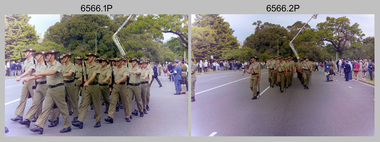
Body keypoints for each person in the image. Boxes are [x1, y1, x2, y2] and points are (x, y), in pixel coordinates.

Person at [29, 49, 71, 134]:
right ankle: (40, 126)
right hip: (50, 89)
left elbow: (52, 72)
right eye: (45, 55)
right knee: (46, 108)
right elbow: (43, 74)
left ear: (53, 56)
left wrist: (40, 74)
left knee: (62, 108)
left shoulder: (58, 64)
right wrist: (30, 78)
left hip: (58, 88)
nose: (45, 57)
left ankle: (67, 126)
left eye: (47, 55)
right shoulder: (48, 65)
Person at [72, 51, 102, 129]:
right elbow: (85, 76)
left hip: (94, 86)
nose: (88, 57)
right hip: (87, 87)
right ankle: (80, 121)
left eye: (90, 56)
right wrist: (82, 81)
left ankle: (98, 121)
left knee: (96, 104)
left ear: (94, 58)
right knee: (85, 104)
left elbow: (93, 75)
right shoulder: (86, 66)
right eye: (88, 56)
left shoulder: (97, 66)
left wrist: (87, 82)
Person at [19, 50, 48, 128]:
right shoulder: (37, 65)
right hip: (39, 85)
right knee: (35, 103)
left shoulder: (45, 65)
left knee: (50, 105)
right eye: (36, 55)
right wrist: (34, 86)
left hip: (45, 85)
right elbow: (36, 77)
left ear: (42, 56)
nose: (36, 57)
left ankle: (55, 118)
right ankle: (28, 120)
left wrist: (29, 78)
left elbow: (40, 75)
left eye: (38, 55)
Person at [11, 47, 36, 122]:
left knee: (35, 100)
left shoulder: (33, 61)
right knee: (22, 98)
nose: (25, 53)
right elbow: (25, 71)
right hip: (26, 81)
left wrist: (20, 76)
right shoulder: (25, 61)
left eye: (26, 52)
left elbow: (29, 71)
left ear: (30, 53)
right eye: (25, 52)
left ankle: (36, 116)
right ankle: (19, 115)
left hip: (32, 80)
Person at [104, 56, 129, 123]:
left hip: (122, 86)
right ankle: (110, 116)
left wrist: (119, 81)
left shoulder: (125, 68)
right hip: (115, 86)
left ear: (121, 61)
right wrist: (108, 83)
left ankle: (127, 115)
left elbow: (125, 77)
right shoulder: (114, 69)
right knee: (113, 101)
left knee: (125, 101)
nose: (116, 62)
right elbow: (110, 76)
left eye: (118, 61)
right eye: (116, 61)